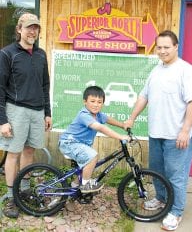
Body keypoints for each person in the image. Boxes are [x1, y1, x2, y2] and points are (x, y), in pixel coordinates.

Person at [125, 30, 192, 231]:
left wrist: (185, 130)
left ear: (176, 47)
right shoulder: (156, 70)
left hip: (177, 135)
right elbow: (144, 96)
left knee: (176, 174)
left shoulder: (186, 70)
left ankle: (176, 211)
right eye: (159, 47)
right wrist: (131, 118)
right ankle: (160, 198)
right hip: (156, 132)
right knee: (158, 171)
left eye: (167, 47)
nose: (163, 51)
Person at [0, 13, 52, 218]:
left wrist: (47, 113)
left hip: (37, 111)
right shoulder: (7, 54)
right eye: (29, 27)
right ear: (19, 29)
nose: (33, 31)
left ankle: (25, 190)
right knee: (13, 154)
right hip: (16, 110)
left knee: (29, 152)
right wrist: (2, 120)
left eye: (36, 28)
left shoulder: (41, 55)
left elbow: (45, 85)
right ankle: (12, 198)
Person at [59, 85, 130, 193]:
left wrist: (123, 125)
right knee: (92, 157)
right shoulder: (84, 115)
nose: (96, 105)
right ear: (85, 102)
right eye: (92, 101)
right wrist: (120, 136)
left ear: (103, 103)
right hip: (69, 143)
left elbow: (108, 119)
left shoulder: (99, 115)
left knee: (85, 167)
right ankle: (86, 185)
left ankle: (74, 187)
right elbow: (100, 127)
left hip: (80, 145)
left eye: (99, 102)